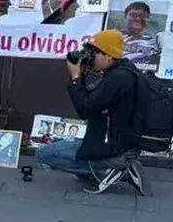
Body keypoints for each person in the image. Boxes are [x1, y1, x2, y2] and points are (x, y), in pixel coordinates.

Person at [35, 30, 143, 194]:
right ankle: (103, 168)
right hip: (113, 143)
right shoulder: (122, 72)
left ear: (108, 55)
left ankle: (111, 170)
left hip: (116, 149)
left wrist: (76, 77)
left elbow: (85, 109)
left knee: (45, 154)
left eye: (94, 53)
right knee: (55, 148)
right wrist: (82, 76)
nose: (90, 57)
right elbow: (92, 102)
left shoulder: (119, 78)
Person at [119, 1, 159, 68]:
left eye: (142, 16)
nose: (138, 19)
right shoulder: (114, 37)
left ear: (148, 19)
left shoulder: (151, 41)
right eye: (133, 15)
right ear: (125, 17)